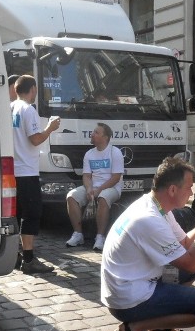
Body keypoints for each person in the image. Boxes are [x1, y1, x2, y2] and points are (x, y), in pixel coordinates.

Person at [101, 157, 195, 331]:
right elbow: (191, 260)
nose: (191, 192)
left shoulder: (157, 206)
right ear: (172, 190)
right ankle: (133, 329)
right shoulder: (150, 219)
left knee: (190, 271)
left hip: (135, 283)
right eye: (188, 187)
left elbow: (186, 245)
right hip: (128, 299)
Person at [11, 75, 61, 274]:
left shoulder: (10, 107)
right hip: (26, 170)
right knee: (31, 214)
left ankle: (16, 255)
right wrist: (50, 128)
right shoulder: (27, 109)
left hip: (12, 169)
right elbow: (34, 139)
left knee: (16, 213)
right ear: (32, 89)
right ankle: (29, 259)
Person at [64, 123, 124, 252]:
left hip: (112, 188)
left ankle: (100, 237)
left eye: (96, 132)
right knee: (71, 196)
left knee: (103, 197)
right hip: (93, 187)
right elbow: (86, 176)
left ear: (105, 137)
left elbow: (116, 178)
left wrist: (98, 190)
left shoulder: (115, 152)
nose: (92, 134)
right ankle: (78, 234)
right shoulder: (89, 154)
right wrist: (89, 188)